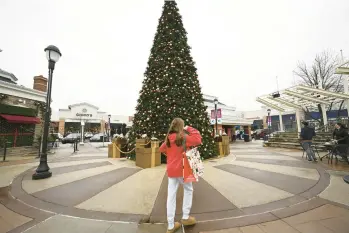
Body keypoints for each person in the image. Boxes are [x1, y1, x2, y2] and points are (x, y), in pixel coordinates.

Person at [160, 118, 202, 233]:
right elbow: (198, 139)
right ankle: (185, 216)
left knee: (171, 195)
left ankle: (170, 225)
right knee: (188, 189)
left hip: (171, 170)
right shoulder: (183, 137)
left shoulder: (168, 139)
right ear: (181, 127)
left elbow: (161, 149)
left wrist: (171, 155)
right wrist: (188, 128)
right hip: (183, 169)